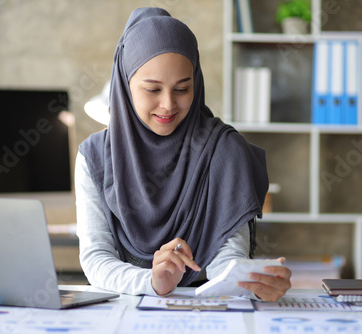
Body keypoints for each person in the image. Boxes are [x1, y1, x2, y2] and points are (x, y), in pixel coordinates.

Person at [75, 7, 291, 301]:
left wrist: (248, 278)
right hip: (126, 312)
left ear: (196, 83)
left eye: (182, 89)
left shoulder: (224, 149)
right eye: (152, 90)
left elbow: (227, 256)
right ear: (125, 86)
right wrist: (152, 281)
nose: (168, 105)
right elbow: (96, 257)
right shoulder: (95, 158)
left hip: (210, 312)